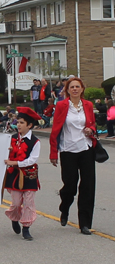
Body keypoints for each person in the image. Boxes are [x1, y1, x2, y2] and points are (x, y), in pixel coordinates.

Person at [49, 77, 97, 235]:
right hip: (68, 149)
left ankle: (85, 223)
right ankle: (65, 207)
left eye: (78, 86)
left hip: (86, 148)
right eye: (72, 87)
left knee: (88, 186)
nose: (75, 89)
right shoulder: (62, 105)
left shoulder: (88, 105)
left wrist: (91, 129)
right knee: (70, 185)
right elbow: (55, 129)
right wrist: (53, 152)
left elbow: (92, 123)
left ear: (82, 89)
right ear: (67, 90)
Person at [4, 107, 42, 241]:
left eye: (21, 123)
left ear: (30, 125)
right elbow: (4, 156)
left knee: (28, 202)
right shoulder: (12, 138)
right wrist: (8, 152)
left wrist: (15, 163)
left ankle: (26, 227)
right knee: (15, 202)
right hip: (14, 175)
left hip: (28, 174)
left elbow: (32, 159)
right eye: (17, 122)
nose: (18, 125)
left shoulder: (35, 141)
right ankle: (14, 218)